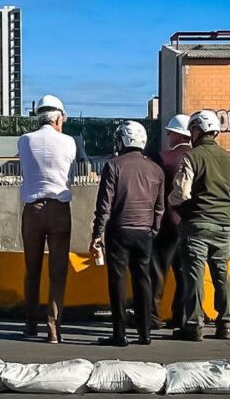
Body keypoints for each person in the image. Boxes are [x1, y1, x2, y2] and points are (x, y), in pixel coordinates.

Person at [169, 110, 230, 341]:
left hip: (197, 225)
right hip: (223, 226)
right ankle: (225, 323)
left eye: (192, 130)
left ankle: (194, 324)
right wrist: (229, 222)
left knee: (195, 275)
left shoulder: (191, 157)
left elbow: (182, 192)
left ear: (197, 130)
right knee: (222, 274)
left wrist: (171, 202)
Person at [90, 121, 164, 347]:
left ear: (122, 141)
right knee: (143, 280)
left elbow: (105, 205)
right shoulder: (156, 169)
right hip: (145, 233)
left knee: (118, 281)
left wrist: (97, 233)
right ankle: (145, 333)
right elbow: (159, 208)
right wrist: (153, 230)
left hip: (119, 231)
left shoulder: (113, 166)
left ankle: (119, 334)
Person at [17, 94, 77, 344]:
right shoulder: (69, 142)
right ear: (58, 118)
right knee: (58, 271)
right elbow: (70, 175)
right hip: (59, 208)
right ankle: (53, 327)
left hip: (32, 209)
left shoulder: (24, 140)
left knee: (32, 269)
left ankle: (31, 323)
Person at [150, 114, 192, 330]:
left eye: (169, 132)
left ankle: (153, 316)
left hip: (166, 222)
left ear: (177, 134)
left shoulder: (163, 158)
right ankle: (181, 316)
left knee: (157, 271)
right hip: (190, 224)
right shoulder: (198, 157)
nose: (167, 135)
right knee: (184, 273)